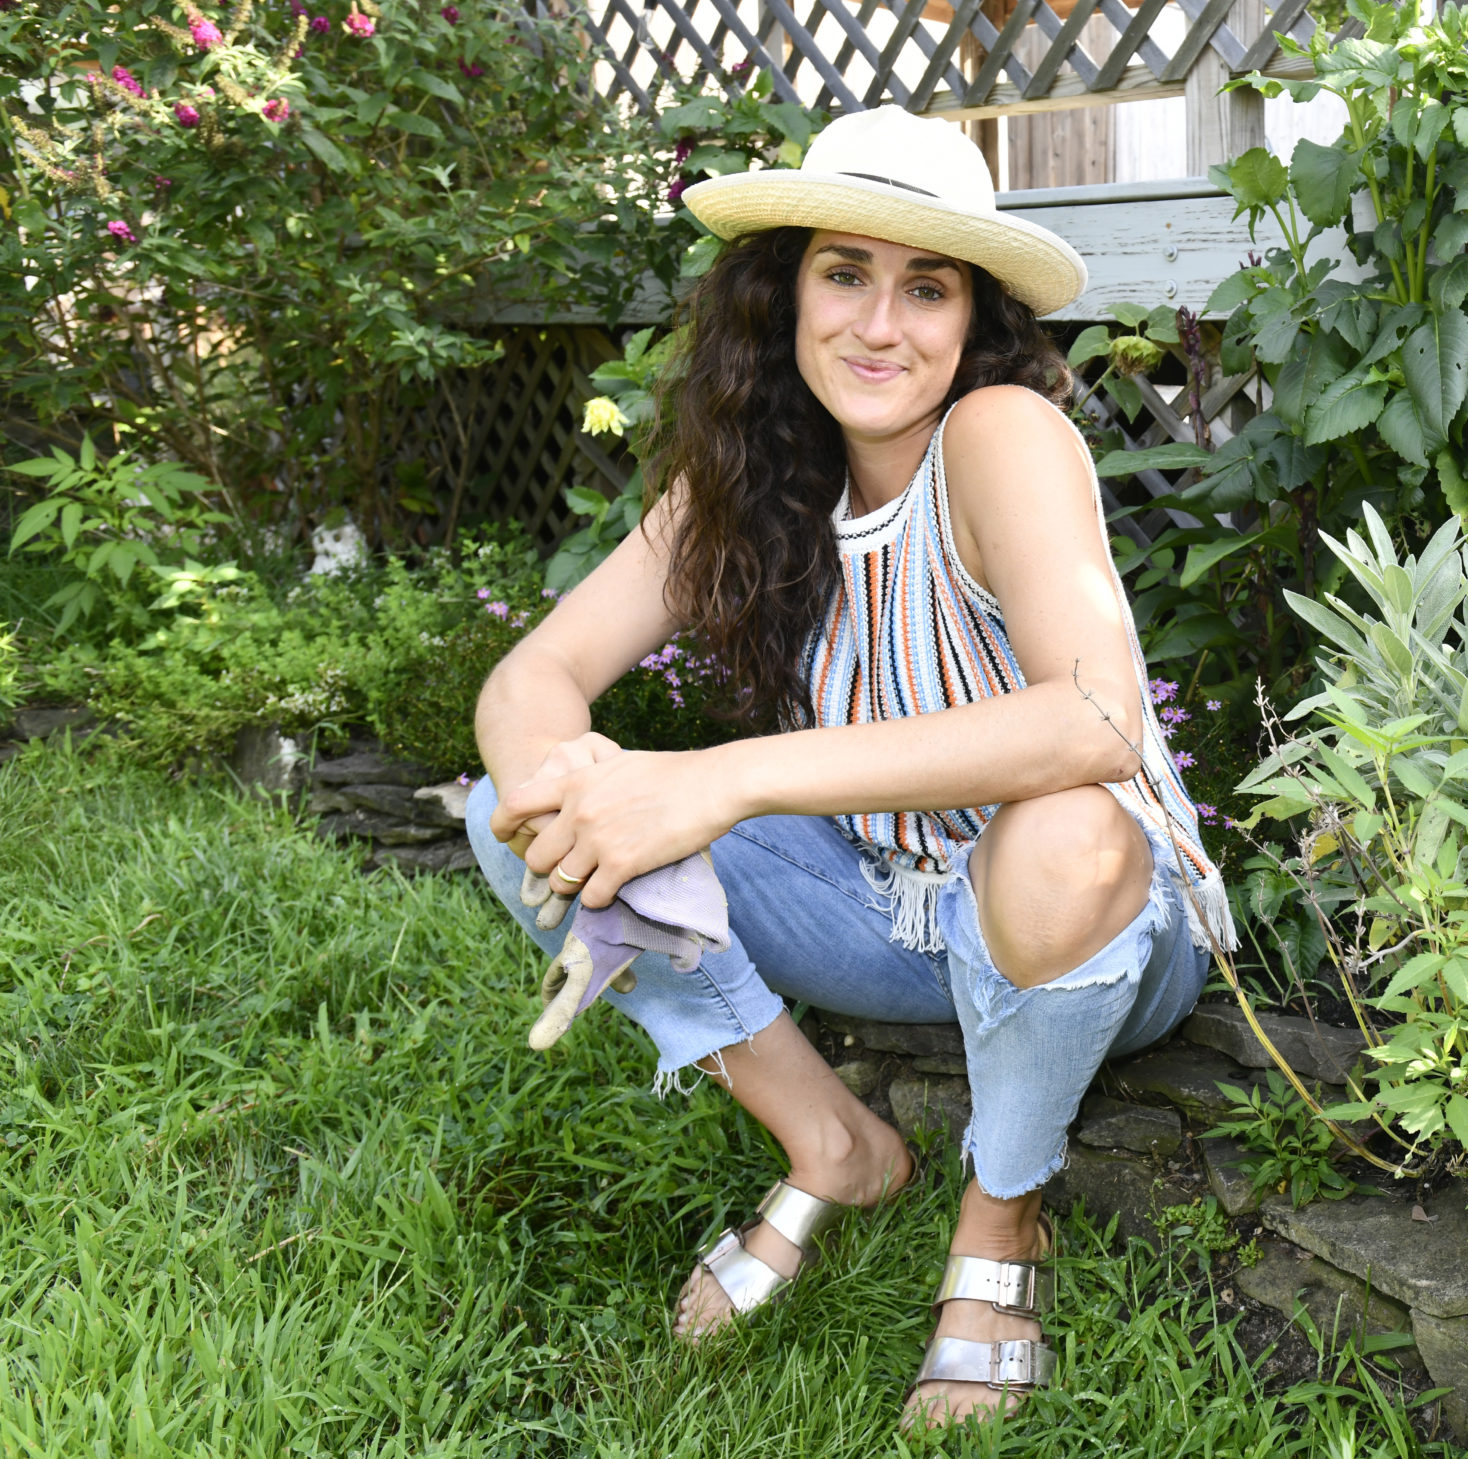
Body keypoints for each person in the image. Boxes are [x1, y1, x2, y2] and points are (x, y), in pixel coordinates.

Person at [462, 104, 1231, 1426]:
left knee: (1059, 833)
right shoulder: (751, 476)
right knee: (510, 806)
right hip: (886, 911)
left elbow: (1100, 721)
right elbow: (532, 680)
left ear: (972, 317)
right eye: (845, 274)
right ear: (783, 294)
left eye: (925, 287)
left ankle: (1002, 1218)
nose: (882, 326)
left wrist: (731, 775)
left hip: (1090, 916)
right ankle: (834, 1142)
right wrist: (574, 800)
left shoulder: (999, 435)